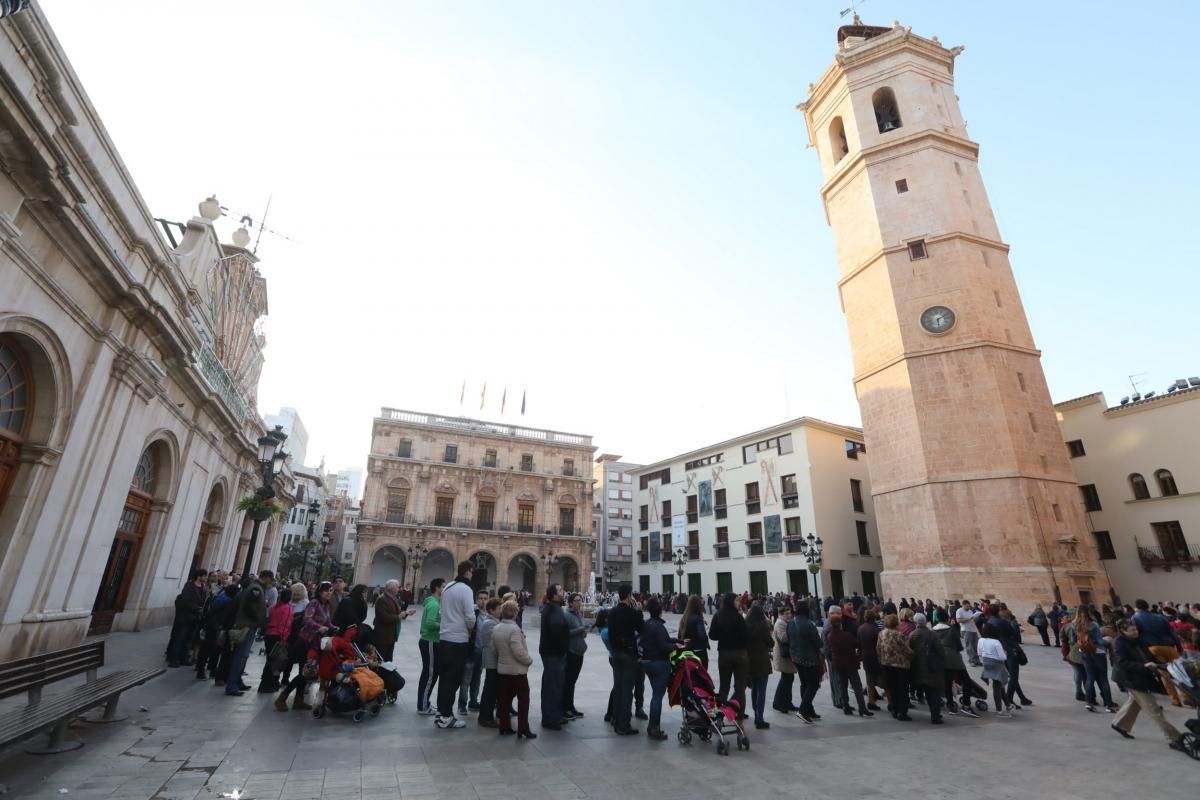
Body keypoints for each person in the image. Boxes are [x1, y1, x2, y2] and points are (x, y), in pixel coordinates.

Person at [1111, 618, 1187, 753]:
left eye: (1136, 629)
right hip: (1131, 679)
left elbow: (1148, 655)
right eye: (1132, 630)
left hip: (1142, 676)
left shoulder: (1139, 639)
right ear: (1123, 631)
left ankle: (1120, 724)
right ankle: (1174, 739)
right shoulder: (1119, 643)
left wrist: (1162, 664)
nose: (1136, 632)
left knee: (1134, 702)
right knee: (1154, 710)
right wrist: (1143, 666)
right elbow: (1122, 663)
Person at [276, 580, 332, 711]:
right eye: (326, 590)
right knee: (305, 672)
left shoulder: (326, 605)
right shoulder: (314, 603)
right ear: (320, 591)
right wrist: (319, 627)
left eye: (331, 591)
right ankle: (282, 698)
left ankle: (299, 699)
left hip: (316, 643)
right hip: (305, 641)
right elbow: (307, 619)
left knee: (306, 672)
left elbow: (327, 621)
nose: (329, 593)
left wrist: (333, 627)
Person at [435, 562, 477, 730]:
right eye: (472, 572)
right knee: (453, 679)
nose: (472, 575)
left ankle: (441, 712)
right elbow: (470, 617)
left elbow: (441, 612)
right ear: (468, 572)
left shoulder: (448, 587)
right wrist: (470, 629)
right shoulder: (466, 589)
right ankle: (446, 716)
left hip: (444, 638)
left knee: (445, 678)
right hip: (458, 640)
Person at [492, 600, 536, 739]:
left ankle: (504, 726)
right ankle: (523, 728)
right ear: (515, 613)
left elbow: (494, 650)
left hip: (503, 670)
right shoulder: (514, 629)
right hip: (517, 671)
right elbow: (518, 651)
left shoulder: (497, 628)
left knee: (504, 700)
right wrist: (529, 660)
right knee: (523, 700)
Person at [225, 571, 271, 696]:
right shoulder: (255, 588)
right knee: (241, 655)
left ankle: (237, 681)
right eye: (270, 579)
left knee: (243, 656)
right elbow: (249, 606)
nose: (270, 582)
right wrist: (258, 618)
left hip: (250, 625)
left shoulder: (257, 587)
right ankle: (232, 685)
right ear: (266, 578)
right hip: (247, 625)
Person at [1132, 599, 1184, 707]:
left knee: (1165, 675)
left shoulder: (1135, 618)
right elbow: (1172, 632)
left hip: (1152, 647)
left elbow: (1136, 635)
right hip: (1169, 646)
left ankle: (1175, 699)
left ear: (1137, 608)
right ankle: (1188, 697)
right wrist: (1179, 646)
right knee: (1180, 672)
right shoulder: (1159, 617)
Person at [640, 596, 678, 740]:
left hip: (647, 662)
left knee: (655, 695)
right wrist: (676, 646)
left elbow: (663, 640)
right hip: (659, 663)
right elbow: (664, 647)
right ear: (660, 610)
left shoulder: (647, 624)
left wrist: (677, 641)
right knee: (657, 696)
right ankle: (654, 727)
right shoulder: (659, 626)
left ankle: (652, 726)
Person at [607, 585, 643, 735]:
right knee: (627, 690)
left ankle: (615, 719)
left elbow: (610, 634)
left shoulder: (613, 612)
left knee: (618, 687)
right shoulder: (631, 612)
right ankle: (623, 725)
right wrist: (639, 611)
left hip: (616, 654)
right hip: (629, 655)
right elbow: (641, 628)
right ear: (629, 596)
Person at [709, 592, 749, 721]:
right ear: (731, 602)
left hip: (724, 654)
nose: (739, 604)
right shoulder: (739, 618)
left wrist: (723, 635)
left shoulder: (718, 616)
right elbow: (746, 636)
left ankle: (719, 718)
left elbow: (712, 635)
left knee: (724, 687)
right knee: (740, 688)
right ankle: (740, 718)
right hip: (740, 654)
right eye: (737, 601)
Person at [827, 608, 871, 718]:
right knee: (857, 685)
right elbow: (857, 644)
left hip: (838, 663)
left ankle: (845, 706)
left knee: (843, 685)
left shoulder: (830, 636)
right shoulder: (846, 635)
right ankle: (862, 707)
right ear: (840, 623)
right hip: (850, 663)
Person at [539, 583, 570, 730]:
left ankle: (554, 715)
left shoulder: (552, 607)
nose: (563, 592)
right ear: (554, 595)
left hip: (550, 652)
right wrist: (563, 649)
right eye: (560, 590)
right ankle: (550, 718)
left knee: (553, 685)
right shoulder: (554, 609)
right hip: (554, 653)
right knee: (553, 686)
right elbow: (556, 632)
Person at [788, 598, 824, 723]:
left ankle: (809, 710)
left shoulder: (791, 623)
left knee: (804, 683)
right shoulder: (809, 624)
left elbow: (789, 639)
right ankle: (803, 710)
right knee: (813, 684)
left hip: (796, 657)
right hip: (809, 658)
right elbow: (818, 642)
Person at [908, 613, 945, 724]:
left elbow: (909, 651)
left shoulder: (912, 635)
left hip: (917, 668)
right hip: (931, 668)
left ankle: (933, 712)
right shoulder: (932, 634)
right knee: (933, 693)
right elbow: (941, 651)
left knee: (926, 691)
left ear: (915, 623)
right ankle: (935, 715)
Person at [167, 568, 208, 668]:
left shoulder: (203, 587)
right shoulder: (189, 586)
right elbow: (185, 601)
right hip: (185, 617)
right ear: (199, 576)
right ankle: (174, 659)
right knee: (180, 637)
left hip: (195, 618)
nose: (206, 578)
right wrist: (197, 608)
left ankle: (184, 657)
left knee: (188, 638)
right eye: (204, 576)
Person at [416, 578, 445, 716]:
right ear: (437, 588)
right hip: (430, 641)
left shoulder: (435, 602)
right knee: (429, 674)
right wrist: (445, 625)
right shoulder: (434, 604)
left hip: (431, 641)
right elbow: (429, 623)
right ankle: (422, 706)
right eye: (443, 586)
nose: (445, 589)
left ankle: (425, 702)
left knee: (430, 673)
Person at [877, 614, 913, 721]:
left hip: (886, 664)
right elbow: (907, 650)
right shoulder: (898, 635)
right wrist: (912, 654)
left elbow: (878, 648)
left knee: (892, 688)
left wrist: (882, 658)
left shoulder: (881, 633)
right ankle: (902, 712)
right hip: (900, 665)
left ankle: (895, 709)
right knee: (902, 689)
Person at [745, 604, 774, 730]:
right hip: (761, 660)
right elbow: (770, 642)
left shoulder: (745, 625)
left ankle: (755, 711)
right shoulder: (763, 626)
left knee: (754, 687)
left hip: (749, 660)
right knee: (761, 689)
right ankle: (759, 717)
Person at [259, 589, 293, 693]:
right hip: (277, 636)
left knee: (269, 660)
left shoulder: (274, 607)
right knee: (275, 662)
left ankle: (264, 683)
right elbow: (285, 625)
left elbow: (267, 619)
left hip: (269, 634)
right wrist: (284, 638)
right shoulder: (287, 608)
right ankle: (269, 684)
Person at [476, 597, 502, 728]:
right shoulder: (489, 623)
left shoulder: (493, 621)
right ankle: (485, 717)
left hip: (493, 659)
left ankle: (487, 716)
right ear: (491, 610)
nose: (500, 610)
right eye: (498, 608)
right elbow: (493, 642)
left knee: (491, 689)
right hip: (491, 660)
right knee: (490, 690)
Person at [563, 593, 589, 720]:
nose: (579, 603)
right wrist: (580, 629)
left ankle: (571, 706)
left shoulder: (578, 614)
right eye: (577, 600)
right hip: (571, 652)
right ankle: (565, 708)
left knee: (573, 682)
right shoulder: (567, 615)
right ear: (571, 602)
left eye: (580, 600)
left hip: (579, 652)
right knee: (568, 681)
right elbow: (565, 633)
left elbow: (580, 631)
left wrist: (583, 632)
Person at [978, 626, 1012, 717]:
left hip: (986, 663)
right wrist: (1005, 653)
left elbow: (979, 653)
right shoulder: (996, 642)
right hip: (997, 664)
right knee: (997, 686)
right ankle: (999, 710)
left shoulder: (981, 640)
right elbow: (1003, 657)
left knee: (999, 685)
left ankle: (1008, 705)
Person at [373, 579, 409, 662]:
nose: (399, 589)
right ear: (391, 588)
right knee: (381, 659)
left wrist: (406, 613)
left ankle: (387, 674)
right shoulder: (382, 599)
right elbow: (384, 617)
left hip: (391, 634)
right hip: (383, 635)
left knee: (388, 659)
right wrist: (398, 616)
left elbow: (397, 611)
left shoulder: (393, 598)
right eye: (397, 587)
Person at [772, 604, 798, 713]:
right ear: (781, 614)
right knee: (785, 680)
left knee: (788, 679)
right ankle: (778, 703)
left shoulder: (785, 622)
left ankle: (787, 702)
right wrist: (793, 632)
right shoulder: (780, 623)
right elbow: (783, 638)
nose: (789, 615)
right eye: (786, 613)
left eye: (790, 613)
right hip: (783, 656)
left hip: (787, 655)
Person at [857, 609, 884, 711]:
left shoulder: (860, 628)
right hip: (876, 657)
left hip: (866, 656)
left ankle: (871, 701)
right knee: (884, 680)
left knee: (869, 680)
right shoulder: (876, 630)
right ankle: (891, 702)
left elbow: (859, 644)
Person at [678, 595, 710, 670]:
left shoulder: (684, 618)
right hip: (698, 652)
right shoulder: (698, 619)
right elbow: (702, 636)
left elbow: (679, 636)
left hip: (686, 652)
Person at [956, 601, 981, 667]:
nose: (968, 607)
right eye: (967, 606)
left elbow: (972, 621)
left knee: (976, 646)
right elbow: (958, 620)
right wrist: (968, 619)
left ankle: (977, 660)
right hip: (966, 630)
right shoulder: (959, 611)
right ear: (963, 605)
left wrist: (975, 618)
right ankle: (972, 661)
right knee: (969, 646)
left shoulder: (970, 611)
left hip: (973, 629)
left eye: (969, 606)